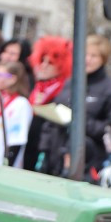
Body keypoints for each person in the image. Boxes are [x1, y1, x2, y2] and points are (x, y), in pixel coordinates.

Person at [36, 34, 111, 179]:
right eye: (85, 54)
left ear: (102, 59)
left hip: (87, 162)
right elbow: (51, 121)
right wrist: (43, 150)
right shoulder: (70, 83)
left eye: (94, 56)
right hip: (56, 157)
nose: (88, 59)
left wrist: (80, 123)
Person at [23, 35, 72, 171]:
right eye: (42, 60)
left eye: (50, 63)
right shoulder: (37, 86)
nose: (43, 66)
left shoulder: (64, 91)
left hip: (47, 151)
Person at [0, 61, 33, 166]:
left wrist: (7, 165)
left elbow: (18, 140)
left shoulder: (21, 104)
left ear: (13, 79)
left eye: (0, 75)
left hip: (4, 163)